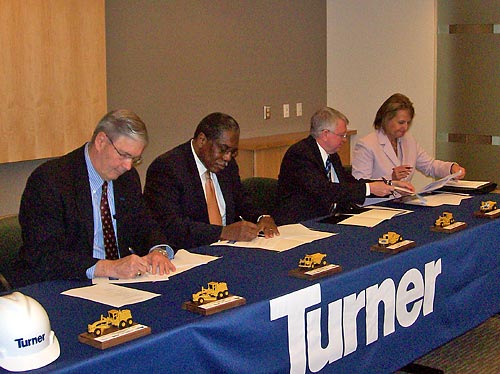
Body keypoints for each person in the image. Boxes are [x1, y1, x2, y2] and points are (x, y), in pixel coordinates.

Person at [16, 109, 176, 286]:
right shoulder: (50, 180)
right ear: (101, 141)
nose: (128, 166)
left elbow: (144, 223)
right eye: (124, 155)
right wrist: (108, 267)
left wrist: (158, 250)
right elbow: (43, 255)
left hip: (120, 285)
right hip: (66, 283)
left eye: (135, 159)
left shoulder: (127, 178)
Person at [143, 112, 279, 249]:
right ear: (202, 140)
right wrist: (223, 232)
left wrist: (261, 217)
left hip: (231, 248)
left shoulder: (227, 165)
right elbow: (171, 226)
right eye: (223, 150)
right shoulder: (167, 168)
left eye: (232, 152)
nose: (227, 158)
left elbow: (241, 199)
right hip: (191, 252)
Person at [275, 107, 414, 224]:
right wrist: (369, 188)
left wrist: (390, 185)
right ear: (325, 134)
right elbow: (325, 191)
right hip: (303, 223)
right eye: (341, 135)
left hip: (330, 218)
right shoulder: (300, 154)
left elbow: (349, 183)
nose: (345, 140)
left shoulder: (331, 154)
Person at [352, 93, 466, 182]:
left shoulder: (408, 140)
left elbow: (430, 166)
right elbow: (360, 186)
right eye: (401, 122)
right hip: (377, 206)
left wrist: (451, 168)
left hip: (402, 203)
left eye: (408, 122)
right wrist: (391, 178)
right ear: (386, 119)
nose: (405, 127)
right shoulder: (367, 144)